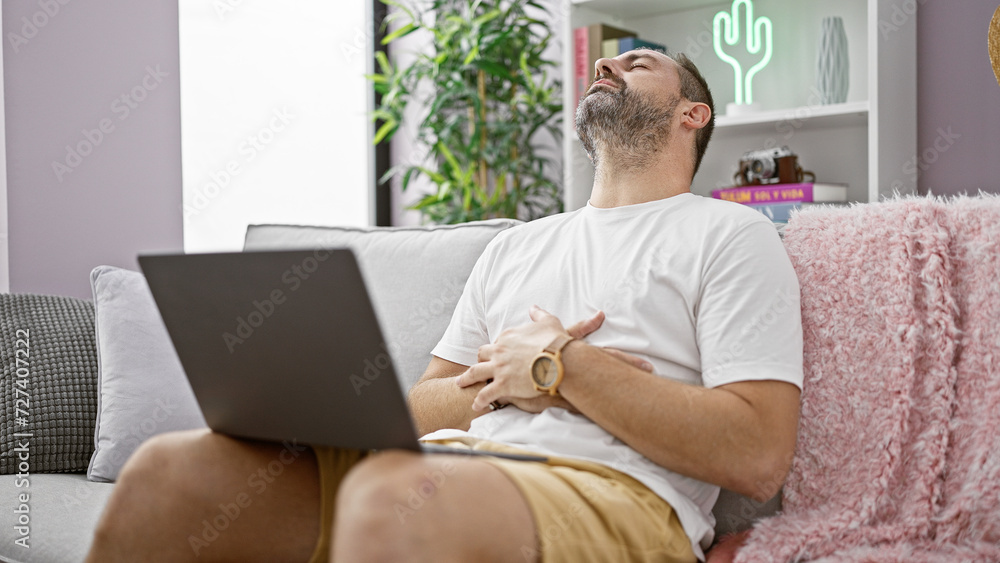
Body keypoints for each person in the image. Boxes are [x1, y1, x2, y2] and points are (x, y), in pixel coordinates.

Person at [85, 49, 803, 563]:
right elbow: (421, 407)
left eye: (638, 63)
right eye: (606, 62)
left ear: (692, 114)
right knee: (171, 474)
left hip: (616, 497)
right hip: (455, 461)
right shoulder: (517, 246)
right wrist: (514, 382)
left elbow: (758, 454)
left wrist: (562, 367)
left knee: (393, 495)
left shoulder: (730, 232)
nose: (606, 65)